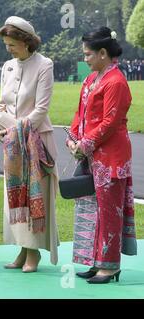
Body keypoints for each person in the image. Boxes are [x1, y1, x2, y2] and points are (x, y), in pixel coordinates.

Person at [67, 27, 137, 284]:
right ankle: (96, 262)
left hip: (111, 157)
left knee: (109, 212)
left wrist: (84, 143)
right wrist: (73, 137)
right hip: (91, 155)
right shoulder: (91, 79)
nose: (85, 59)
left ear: (103, 53)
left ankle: (109, 266)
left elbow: (110, 122)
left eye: (88, 54)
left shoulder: (116, 81)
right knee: (90, 210)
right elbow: (80, 113)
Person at [0, 16, 59, 272]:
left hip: (36, 142)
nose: (8, 49)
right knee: (15, 198)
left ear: (26, 41)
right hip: (12, 145)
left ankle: (34, 253)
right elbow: (1, 106)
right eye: (6, 44)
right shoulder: (7, 67)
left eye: (12, 44)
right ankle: (23, 249)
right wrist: (0, 130)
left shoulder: (44, 64)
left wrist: (14, 130)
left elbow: (41, 109)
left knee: (35, 198)